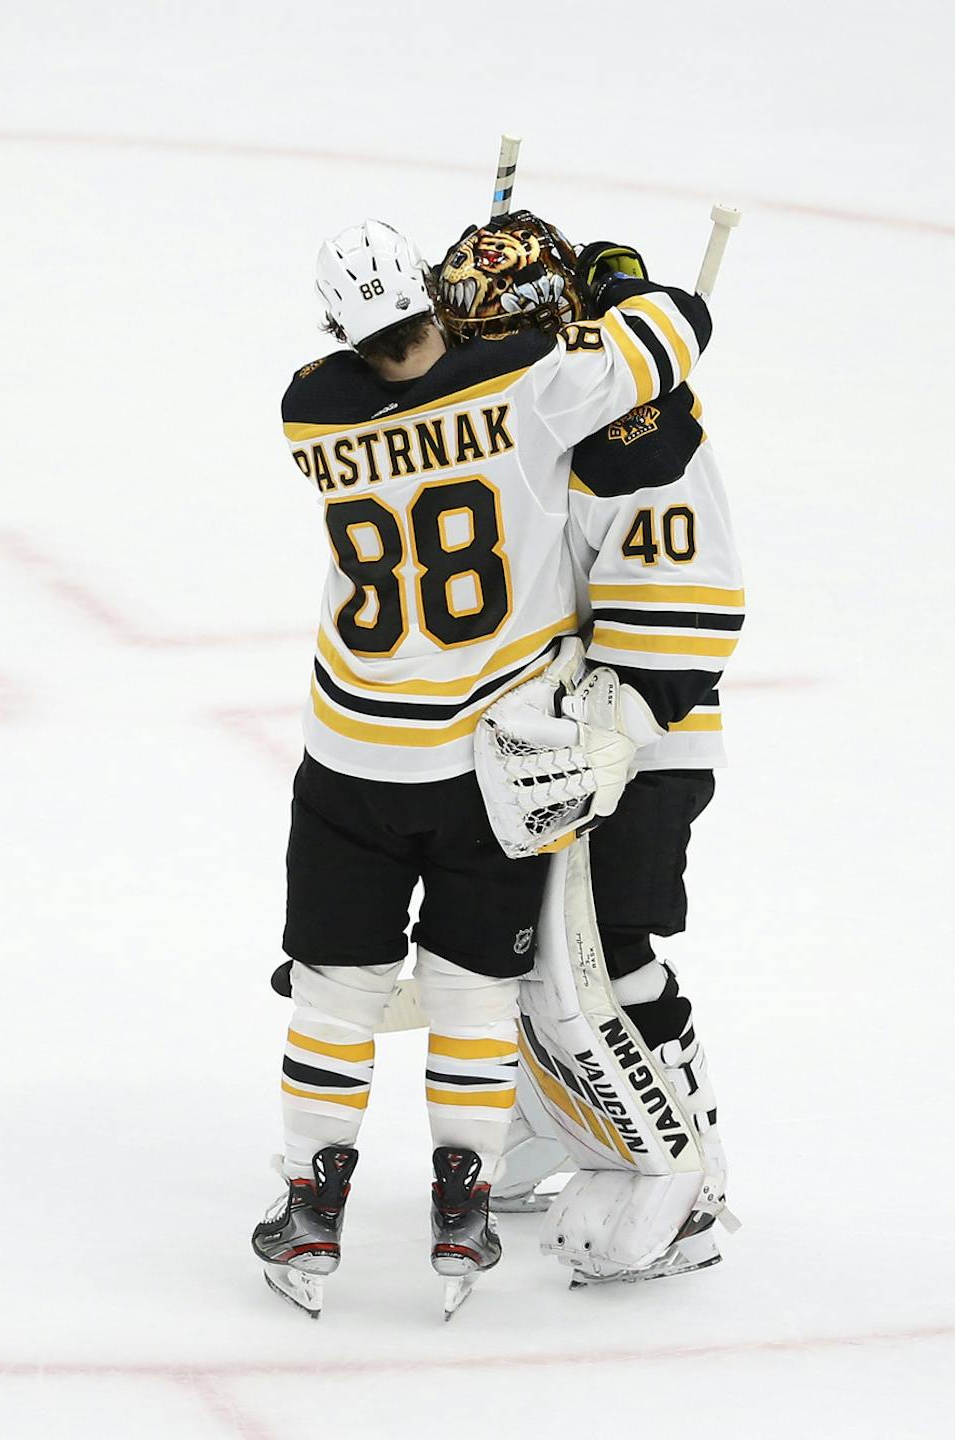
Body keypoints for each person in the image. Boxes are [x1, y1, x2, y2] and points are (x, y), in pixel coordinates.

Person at [250, 216, 714, 1317]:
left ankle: (314, 1199)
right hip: (485, 762)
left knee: (339, 990)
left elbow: (405, 390)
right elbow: (677, 328)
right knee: (478, 989)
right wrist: (614, 290)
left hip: (354, 754)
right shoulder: (530, 384)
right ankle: (464, 1196)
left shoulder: (308, 408)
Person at [433, 221, 744, 1281]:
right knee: (523, 948)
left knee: (606, 948)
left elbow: (690, 606)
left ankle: (689, 1172)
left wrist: (611, 736)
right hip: (534, 740)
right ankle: (562, 1117)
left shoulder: (634, 437)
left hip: (638, 749)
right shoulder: (525, 408)